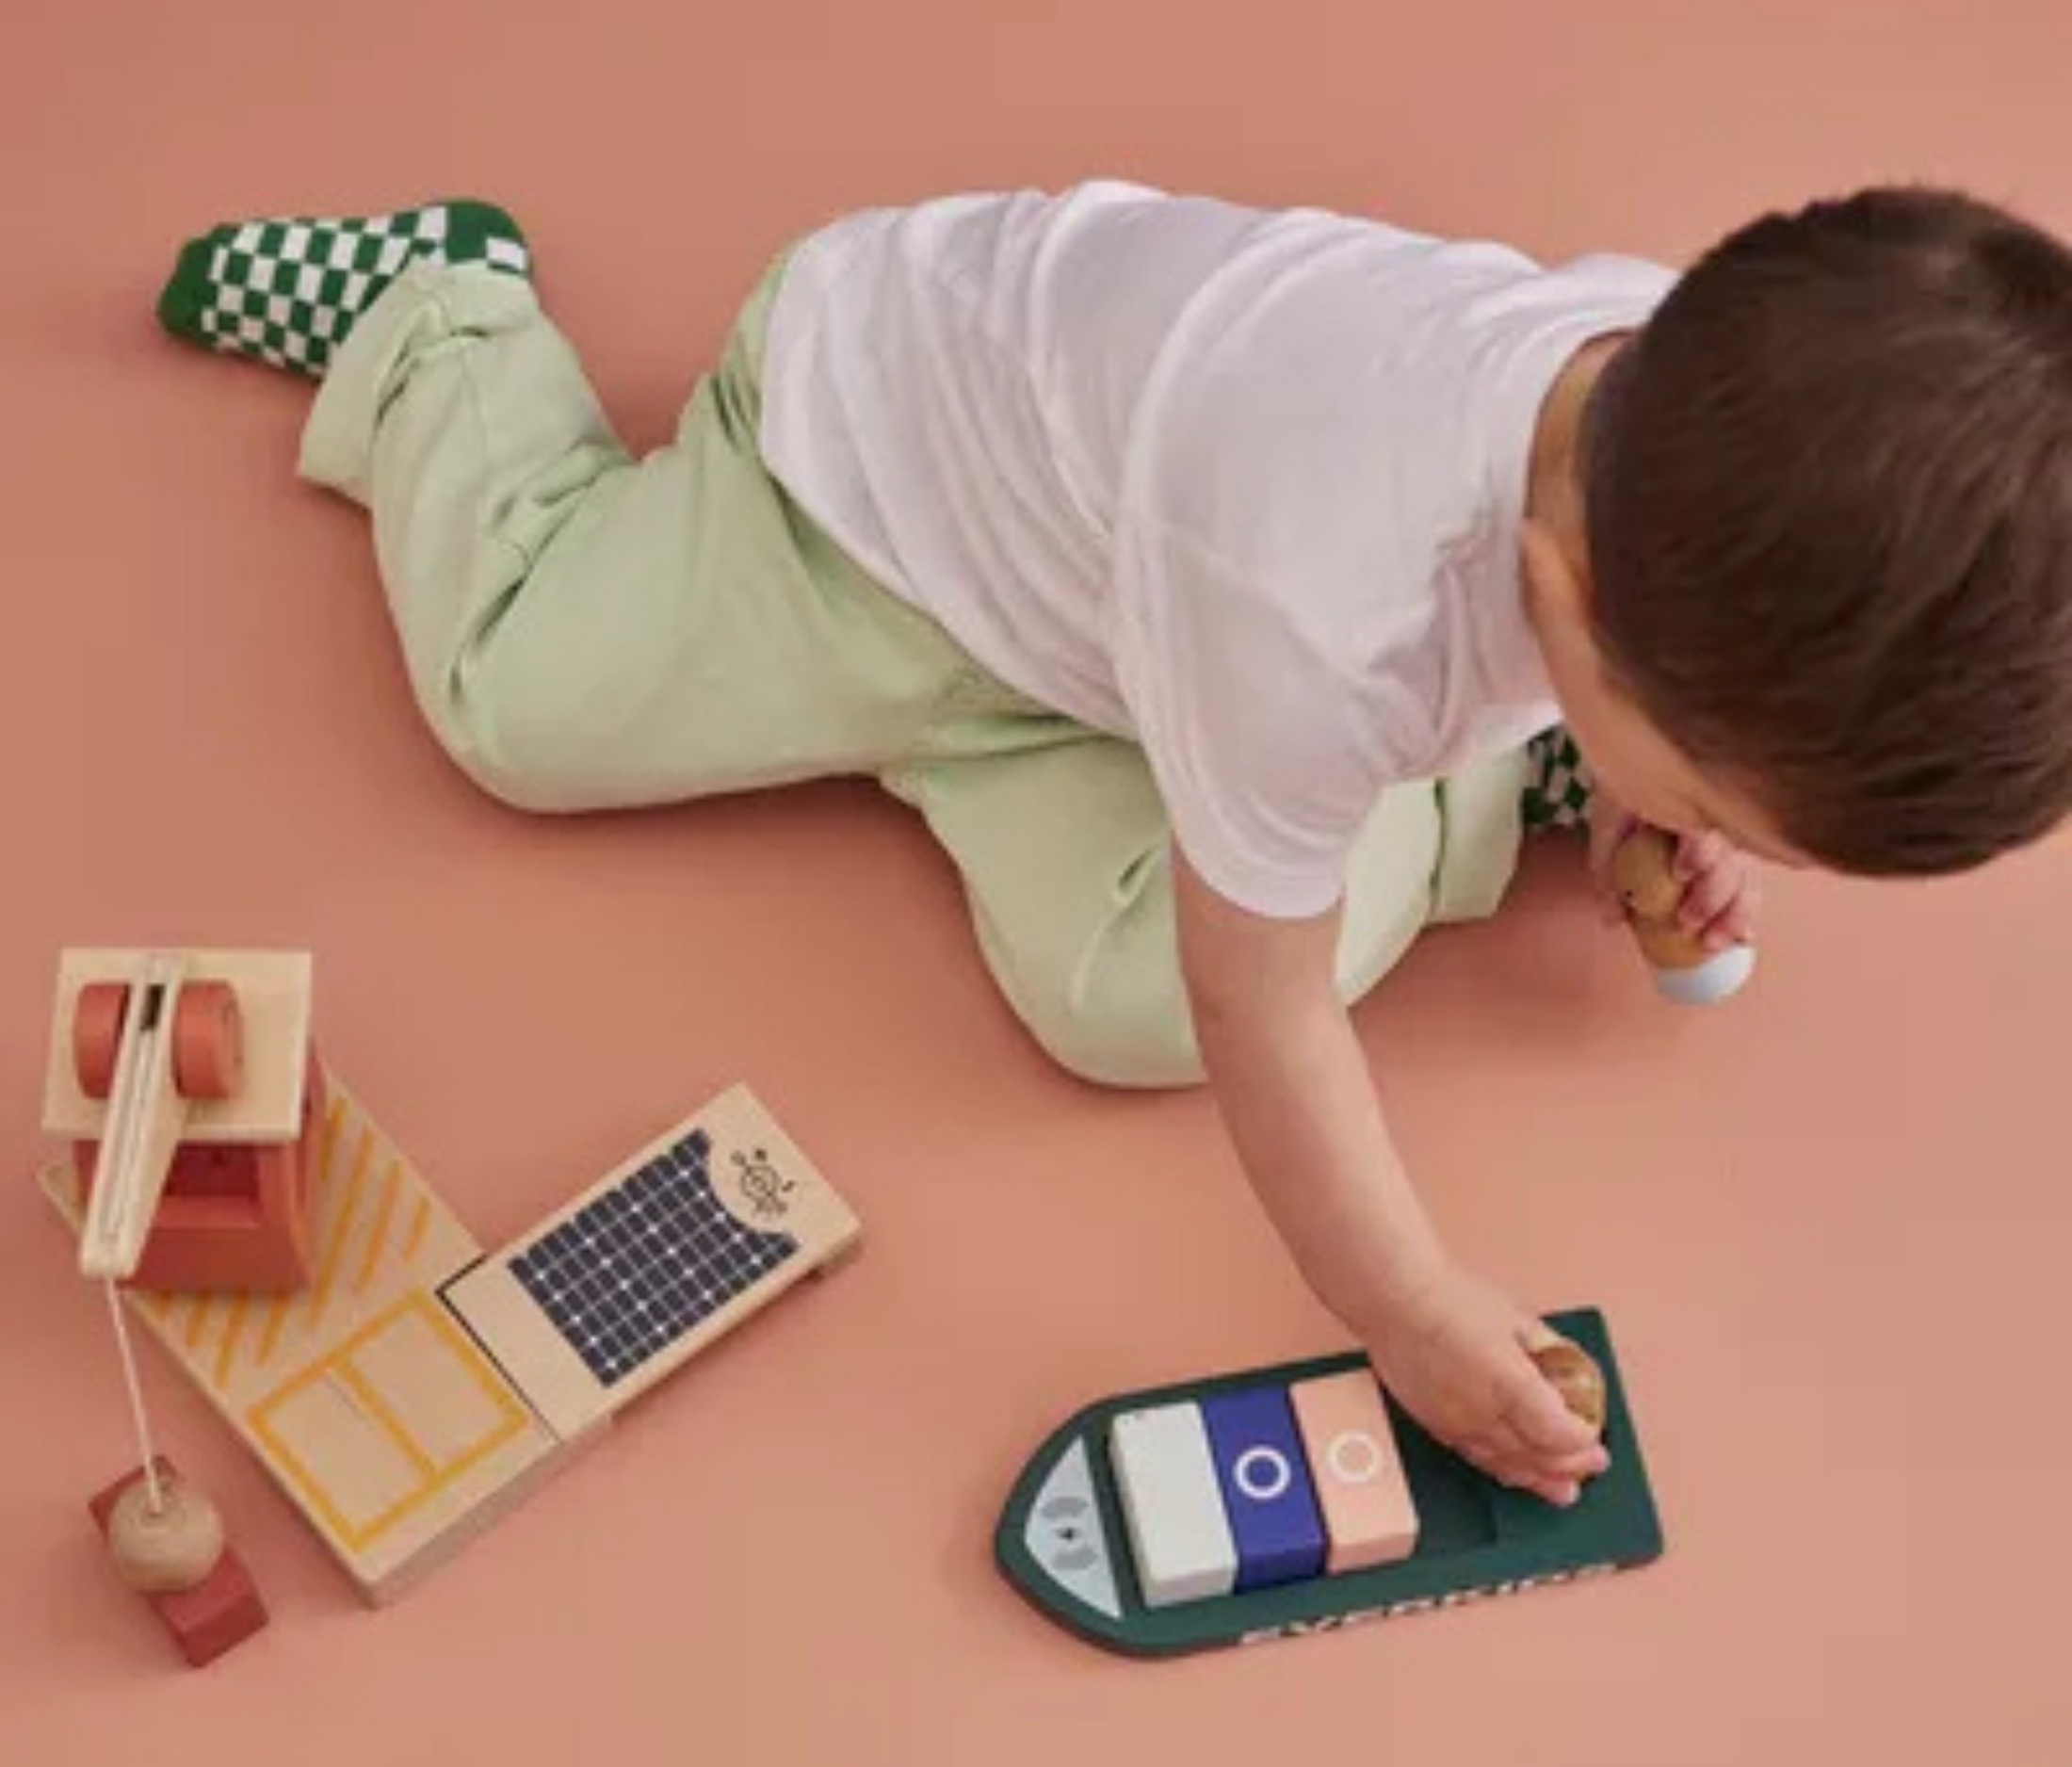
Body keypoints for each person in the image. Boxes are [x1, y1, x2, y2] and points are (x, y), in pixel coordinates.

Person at [153, 179, 2072, 1505]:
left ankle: (1529, 778)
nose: (1725, 857)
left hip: (1129, 644)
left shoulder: (1705, 381)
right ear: (1571, 614)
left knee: (1112, 1006)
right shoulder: (1321, 606)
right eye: (1721, 807)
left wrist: (1652, 769)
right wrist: (1395, 1303)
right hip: (864, 508)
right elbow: (1265, 1013)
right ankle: (439, 323)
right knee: (523, 698)